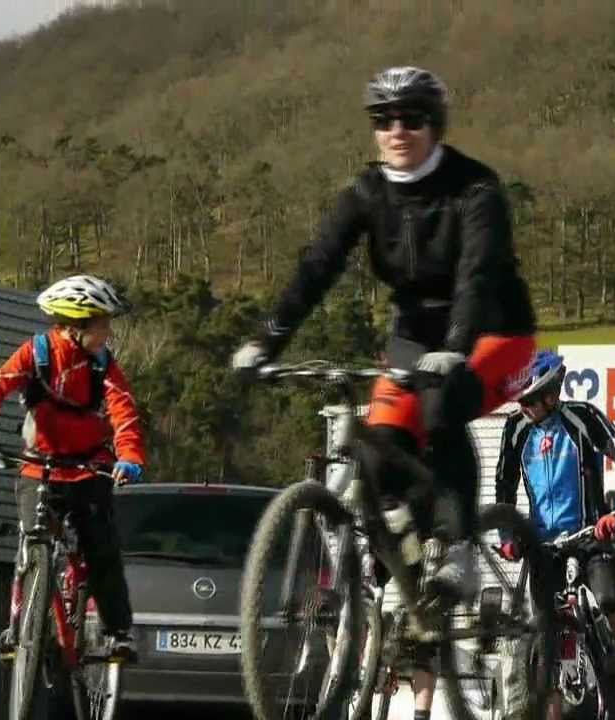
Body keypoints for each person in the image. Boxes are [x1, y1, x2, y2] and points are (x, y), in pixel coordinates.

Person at [230, 66, 537, 718]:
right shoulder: (367, 194)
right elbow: (317, 265)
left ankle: (454, 551)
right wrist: (267, 340)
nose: (398, 131)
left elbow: (479, 274)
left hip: (494, 329)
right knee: (376, 443)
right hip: (413, 334)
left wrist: (455, 347)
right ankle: (413, 579)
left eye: (412, 118)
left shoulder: (476, 189)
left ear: (435, 125)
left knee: (442, 401)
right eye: (384, 120)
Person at [0, 274, 144, 662]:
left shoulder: (103, 365)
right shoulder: (36, 353)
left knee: (101, 549)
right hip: (38, 467)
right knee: (29, 542)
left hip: (89, 468)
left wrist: (130, 456)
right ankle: (17, 623)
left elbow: (123, 411)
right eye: (103, 324)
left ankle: (118, 631)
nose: (108, 332)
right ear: (77, 326)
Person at [494, 351, 615, 710]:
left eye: (530, 401)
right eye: (520, 402)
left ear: (550, 395)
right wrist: (506, 536)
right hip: (544, 545)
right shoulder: (515, 429)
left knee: (608, 598)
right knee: (546, 633)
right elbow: (504, 487)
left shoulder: (581, 417)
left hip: (591, 533)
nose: (523, 408)